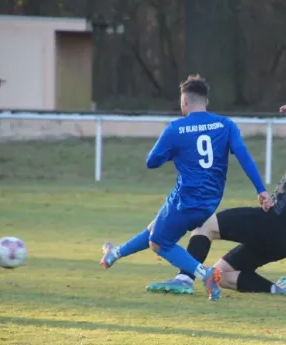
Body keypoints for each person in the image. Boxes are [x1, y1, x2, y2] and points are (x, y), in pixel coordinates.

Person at [100, 74, 270, 301]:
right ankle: (115, 254)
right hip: (209, 200)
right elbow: (245, 158)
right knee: (155, 227)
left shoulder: (176, 129)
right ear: (206, 101)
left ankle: (204, 274)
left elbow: (151, 162)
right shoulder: (226, 125)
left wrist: (172, 153)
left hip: (187, 197)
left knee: (159, 242)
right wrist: (261, 190)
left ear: (184, 102)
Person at [146, 104, 286, 296]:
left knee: (203, 225)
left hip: (274, 223)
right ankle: (278, 289)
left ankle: (184, 280)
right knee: (220, 276)